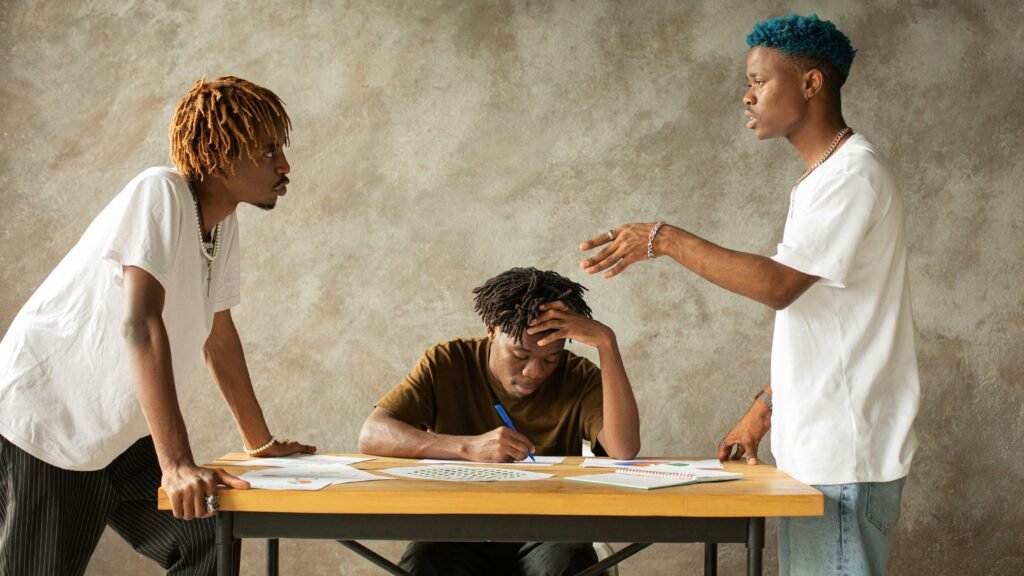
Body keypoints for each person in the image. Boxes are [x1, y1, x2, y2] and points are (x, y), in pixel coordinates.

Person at [577, 13, 919, 576]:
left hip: (844, 456)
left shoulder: (850, 176)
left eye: (760, 81)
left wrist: (664, 239)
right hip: (823, 453)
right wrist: (764, 412)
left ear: (810, 83)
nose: (747, 95)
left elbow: (778, 287)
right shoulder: (825, 177)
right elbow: (829, 322)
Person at [0, 76, 315, 576]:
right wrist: (175, 465)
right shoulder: (160, 192)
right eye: (269, 150)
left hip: (116, 437)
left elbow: (218, 334)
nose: (284, 165)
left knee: (208, 534)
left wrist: (259, 442)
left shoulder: (222, 224)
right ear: (221, 157)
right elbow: (140, 324)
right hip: (47, 426)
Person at [358, 267, 640, 576]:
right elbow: (373, 434)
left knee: (570, 561)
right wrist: (467, 448)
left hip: (548, 528)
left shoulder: (578, 377)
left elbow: (623, 448)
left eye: (550, 359)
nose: (534, 372)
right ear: (492, 330)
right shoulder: (448, 362)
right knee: (424, 560)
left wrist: (607, 343)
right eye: (520, 355)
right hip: (458, 527)